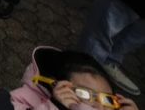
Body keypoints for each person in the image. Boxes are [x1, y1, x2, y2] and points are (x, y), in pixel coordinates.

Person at [11, 47, 139, 110]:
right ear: (55, 85)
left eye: (107, 99)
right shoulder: (22, 100)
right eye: (84, 93)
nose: (99, 107)